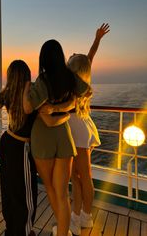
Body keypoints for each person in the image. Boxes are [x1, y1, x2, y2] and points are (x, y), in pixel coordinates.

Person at [0, 59, 70, 236]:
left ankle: (12, 229)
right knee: (26, 193)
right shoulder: (34, 95)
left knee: (9, 190)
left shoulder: (7, 93)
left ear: (10, 76)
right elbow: (50, 121)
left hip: (6, 142)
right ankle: (23, 232)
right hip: (20, 149)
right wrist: (67, 116)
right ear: (27, 75)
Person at [23, 40, 89, 236]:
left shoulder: (43, 81)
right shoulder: (70, 78)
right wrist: (64, 107)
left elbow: (28, 108)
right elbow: (85, 92)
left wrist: (26, 88)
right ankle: (63, 232)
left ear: (43, 58)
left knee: (51, 188)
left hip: (43, 136)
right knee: (62, 193)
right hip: (63, 135)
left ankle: (62, 230)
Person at [67, 23, 110, 235]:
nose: (71, 54)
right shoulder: (81, 82)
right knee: (78, 177)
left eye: (71, 57)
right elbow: (89, 59)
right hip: (81, 127)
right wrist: (97, 40)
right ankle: (79, 216)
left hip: (77, 131)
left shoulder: (71, 84)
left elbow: (87, 59)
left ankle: (86, 217)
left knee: (82, 177)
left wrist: (97, 40)